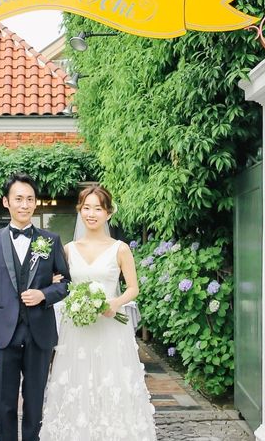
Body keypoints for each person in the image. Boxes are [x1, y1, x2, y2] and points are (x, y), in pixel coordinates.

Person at [40, 185, 157, 441]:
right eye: (86, 208)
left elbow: (133, 288)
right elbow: (61, 284)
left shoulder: (120, 249)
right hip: (77, 329)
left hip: (111, 327)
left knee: (111, 383)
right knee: (77, 383)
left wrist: (115, 303)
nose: (91, 214)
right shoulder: (68, 249)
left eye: (98, 208)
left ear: (108, 213)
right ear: (80, 211)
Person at [0, 173, 71, 441]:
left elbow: (66, 283)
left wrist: (43, 294)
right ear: (6, 202)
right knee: (3, 402)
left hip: (39, 333)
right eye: (18, 199)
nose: (24, 204)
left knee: (35, 401)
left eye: (30, 199)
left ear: (35, 202)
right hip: (3, 334)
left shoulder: (50, 240)